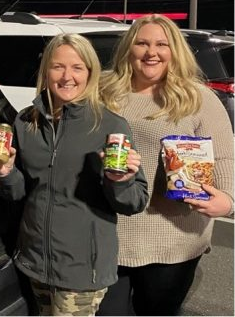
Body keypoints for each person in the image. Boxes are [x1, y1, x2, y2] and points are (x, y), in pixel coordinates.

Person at [0, 33, 149, 316]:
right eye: (58, 66)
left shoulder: (109, 123)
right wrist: (5, 171)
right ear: (46, 71)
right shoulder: (25, 121)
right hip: (35, 259)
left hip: (81, 270)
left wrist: (120, 181)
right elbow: (20, 192)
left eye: (77, 67)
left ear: (90, 73)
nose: (67, 76)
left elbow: (135, 202)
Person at [97, 14, 234, 316]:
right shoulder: (103, 93)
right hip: (109, 234)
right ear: (128, 48)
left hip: (174, 239)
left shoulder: (198, 98)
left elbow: (225, 157)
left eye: (162, 44)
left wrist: (228, 201)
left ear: (175, 51)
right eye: (142, 43)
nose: (151, 52)